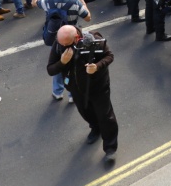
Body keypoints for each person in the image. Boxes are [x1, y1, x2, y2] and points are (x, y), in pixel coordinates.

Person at [46, 24, 118, 163]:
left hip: (98, 87)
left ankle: (110, 148)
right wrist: (62, 62)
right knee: (86, 112)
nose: (64, 47)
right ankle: (95, 128)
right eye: (61, 44)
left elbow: (109, 56)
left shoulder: (94, 39)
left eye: (67, 44)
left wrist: (97, 66)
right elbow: (50, 70)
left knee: (105, 116)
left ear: (77, 38)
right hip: (76, 89)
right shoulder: (59, 44)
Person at [33, 0, 91, 102]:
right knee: (73, 65)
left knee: (59, 63)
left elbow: (34, 2)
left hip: (56, 39)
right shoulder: (75, 2)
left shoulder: (49, 1)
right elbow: (88, 18)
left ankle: (57, 91)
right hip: (72, 37)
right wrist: (84, 4)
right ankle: (72, 94)